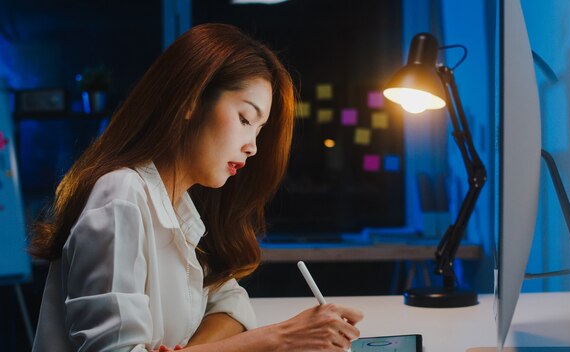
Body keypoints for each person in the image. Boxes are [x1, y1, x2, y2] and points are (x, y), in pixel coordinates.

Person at [29, 23, 363, 352]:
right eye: (246, 119)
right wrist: (282, 337)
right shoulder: (121, 194)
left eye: (259, 130)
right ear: (190, 101)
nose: (253, 147)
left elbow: (231, 302)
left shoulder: (181, 207)